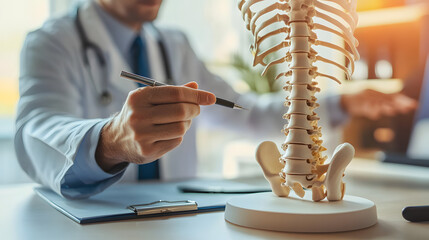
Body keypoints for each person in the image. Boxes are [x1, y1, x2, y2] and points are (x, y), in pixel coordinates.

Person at [14, 0, 417, 199]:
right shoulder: (51, 42)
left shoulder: (175, 45)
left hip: (174, 215)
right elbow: (35, 130)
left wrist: (341, 104)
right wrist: (109, 140)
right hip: (89, 222)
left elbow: (243, 112)